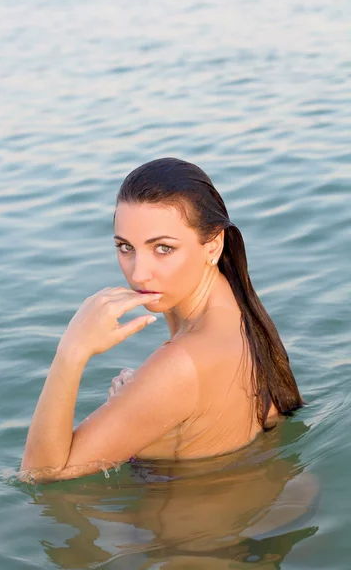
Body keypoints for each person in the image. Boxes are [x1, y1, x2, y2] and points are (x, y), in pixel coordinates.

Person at [20, 157, 303, 483]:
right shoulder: (238, 311)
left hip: (189, 534)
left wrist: (72, 349)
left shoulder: (180, 364)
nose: (138, 273)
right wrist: (145, 409)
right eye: (125, 247)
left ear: (214, 245)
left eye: (163, 249)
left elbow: (40, 474)